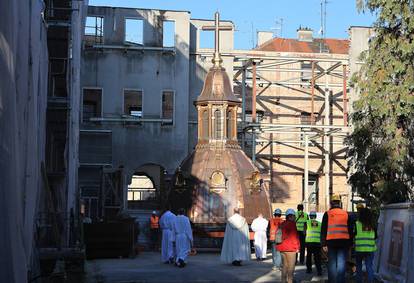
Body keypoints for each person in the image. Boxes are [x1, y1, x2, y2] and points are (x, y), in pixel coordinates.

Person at [321, 194, 353, 283]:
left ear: (331, 203)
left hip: (331, 242)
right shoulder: (346, 214)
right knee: (341, 264)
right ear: (339, 203)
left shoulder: (327, 214)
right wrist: (351, 243)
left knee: (332, 264)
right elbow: (350, 229)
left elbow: (323, 229)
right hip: (344, 243)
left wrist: (323, 243)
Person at [277, 209, 300, 283]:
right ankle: (290, 281)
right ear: (291, 216)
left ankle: (283, 281)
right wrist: (297, 247)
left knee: (284, 266)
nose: (295, 218)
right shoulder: (292, 224)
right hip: (290, 249)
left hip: (282, 248)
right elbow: (294, 236)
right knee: (291, 267)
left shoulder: (282, 224)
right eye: (294, 216)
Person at [354, 207, 376, 283]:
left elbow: (353, 235)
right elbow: (376, 236)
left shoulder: (356, 224)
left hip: (359, 249)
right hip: (370, 249)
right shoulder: (373, 225)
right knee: (369, 267)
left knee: (359, 267)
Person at [304, 211, 322, 276]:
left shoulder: (306, 223)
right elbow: (322, 234)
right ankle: (319, 271)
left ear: (310, 216)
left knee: (309, 256)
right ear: (315, 216)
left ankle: (309, 270)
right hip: (317, 243)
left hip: (309, 243)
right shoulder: (320, 223)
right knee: (317, 257)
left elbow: (304, 232)